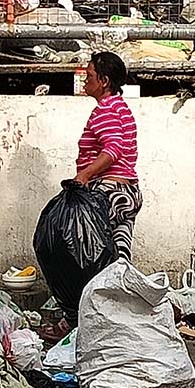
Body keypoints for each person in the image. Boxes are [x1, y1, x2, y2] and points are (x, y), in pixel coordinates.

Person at [74, 51, 143, 260]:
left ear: (104, 81)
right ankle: (120, 292)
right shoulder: (120, 107)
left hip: (109, 193)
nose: (85, 81)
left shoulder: (105, 110)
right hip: (128, 193)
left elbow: (113, 149)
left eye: (90, 76)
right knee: (119, 258)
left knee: (89, 254)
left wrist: (84, 176)